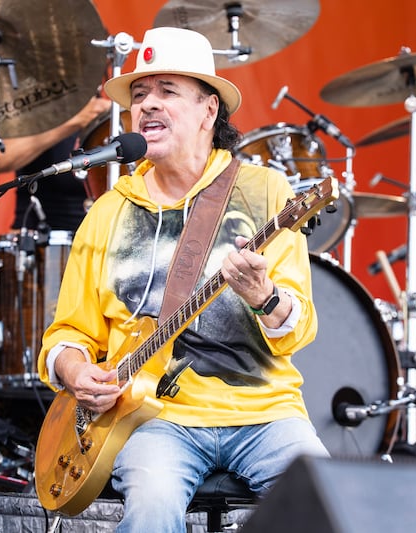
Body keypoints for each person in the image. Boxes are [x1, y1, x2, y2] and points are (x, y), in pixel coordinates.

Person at [38, 27, 330, 532]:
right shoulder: (108, 211)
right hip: (156, 421)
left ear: (208, 111)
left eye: (167, 91)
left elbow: (298, 329)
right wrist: (72, 370)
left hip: (264, 412)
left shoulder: (266, 191)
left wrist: (264, 298)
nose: (147, 105)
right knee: (150, 508)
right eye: (139, 95)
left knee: (330, 506)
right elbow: (67, 334)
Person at [0, 95, 112, 231]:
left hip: (98, 237)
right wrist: (74, 121)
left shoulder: (108, 110)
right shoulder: (32, 102)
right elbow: (0, 159)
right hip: (39, 238)